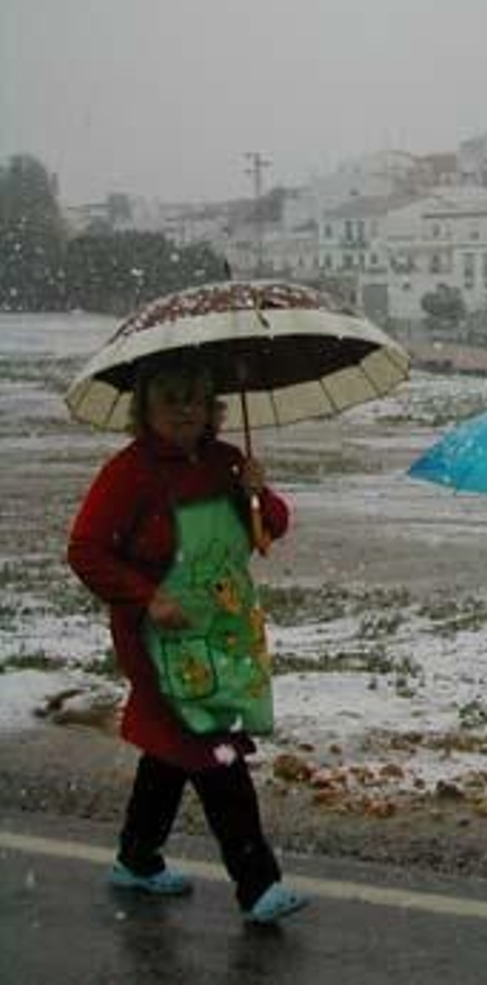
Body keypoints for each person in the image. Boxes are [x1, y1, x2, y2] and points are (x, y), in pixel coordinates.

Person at [65, 356, 306, 924]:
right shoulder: (129, 471)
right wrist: (147, 597)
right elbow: (86, 550)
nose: (182, 410)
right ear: (145, 407)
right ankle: (258, 883)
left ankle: (137, 858)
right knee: (212, 744)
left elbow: (269, 528)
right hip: (158, 636)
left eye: (193, 399)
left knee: (172, 748)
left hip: (219, 629)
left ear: (211, 408)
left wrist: (259, 493)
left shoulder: (225, 462)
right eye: (169, 399)